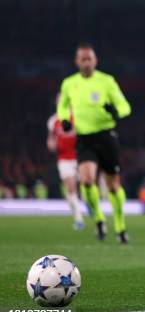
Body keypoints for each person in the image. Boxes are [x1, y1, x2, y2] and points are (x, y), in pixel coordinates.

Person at [57, 43, 132, 243]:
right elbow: (62, 106)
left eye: (90, 58)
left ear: (95, 60)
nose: (87, 62)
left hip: (106, 136)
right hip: (84, 138)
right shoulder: (69, 83)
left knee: (113, 186)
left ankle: (120, 225)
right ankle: (99, 219)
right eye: (83, 59)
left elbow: (125, 106)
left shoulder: (107, 81)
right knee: (87, 180)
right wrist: (64, 119)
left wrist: (116, 112)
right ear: (77, 61)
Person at [47, 96, 84, 231]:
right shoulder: (53, 121)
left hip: (80, 157)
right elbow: (51, 140)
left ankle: (89, 205)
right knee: (70, 188)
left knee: (86, 185)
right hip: (64, 159)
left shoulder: (77, 117)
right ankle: (79, 218)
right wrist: (51, 144)